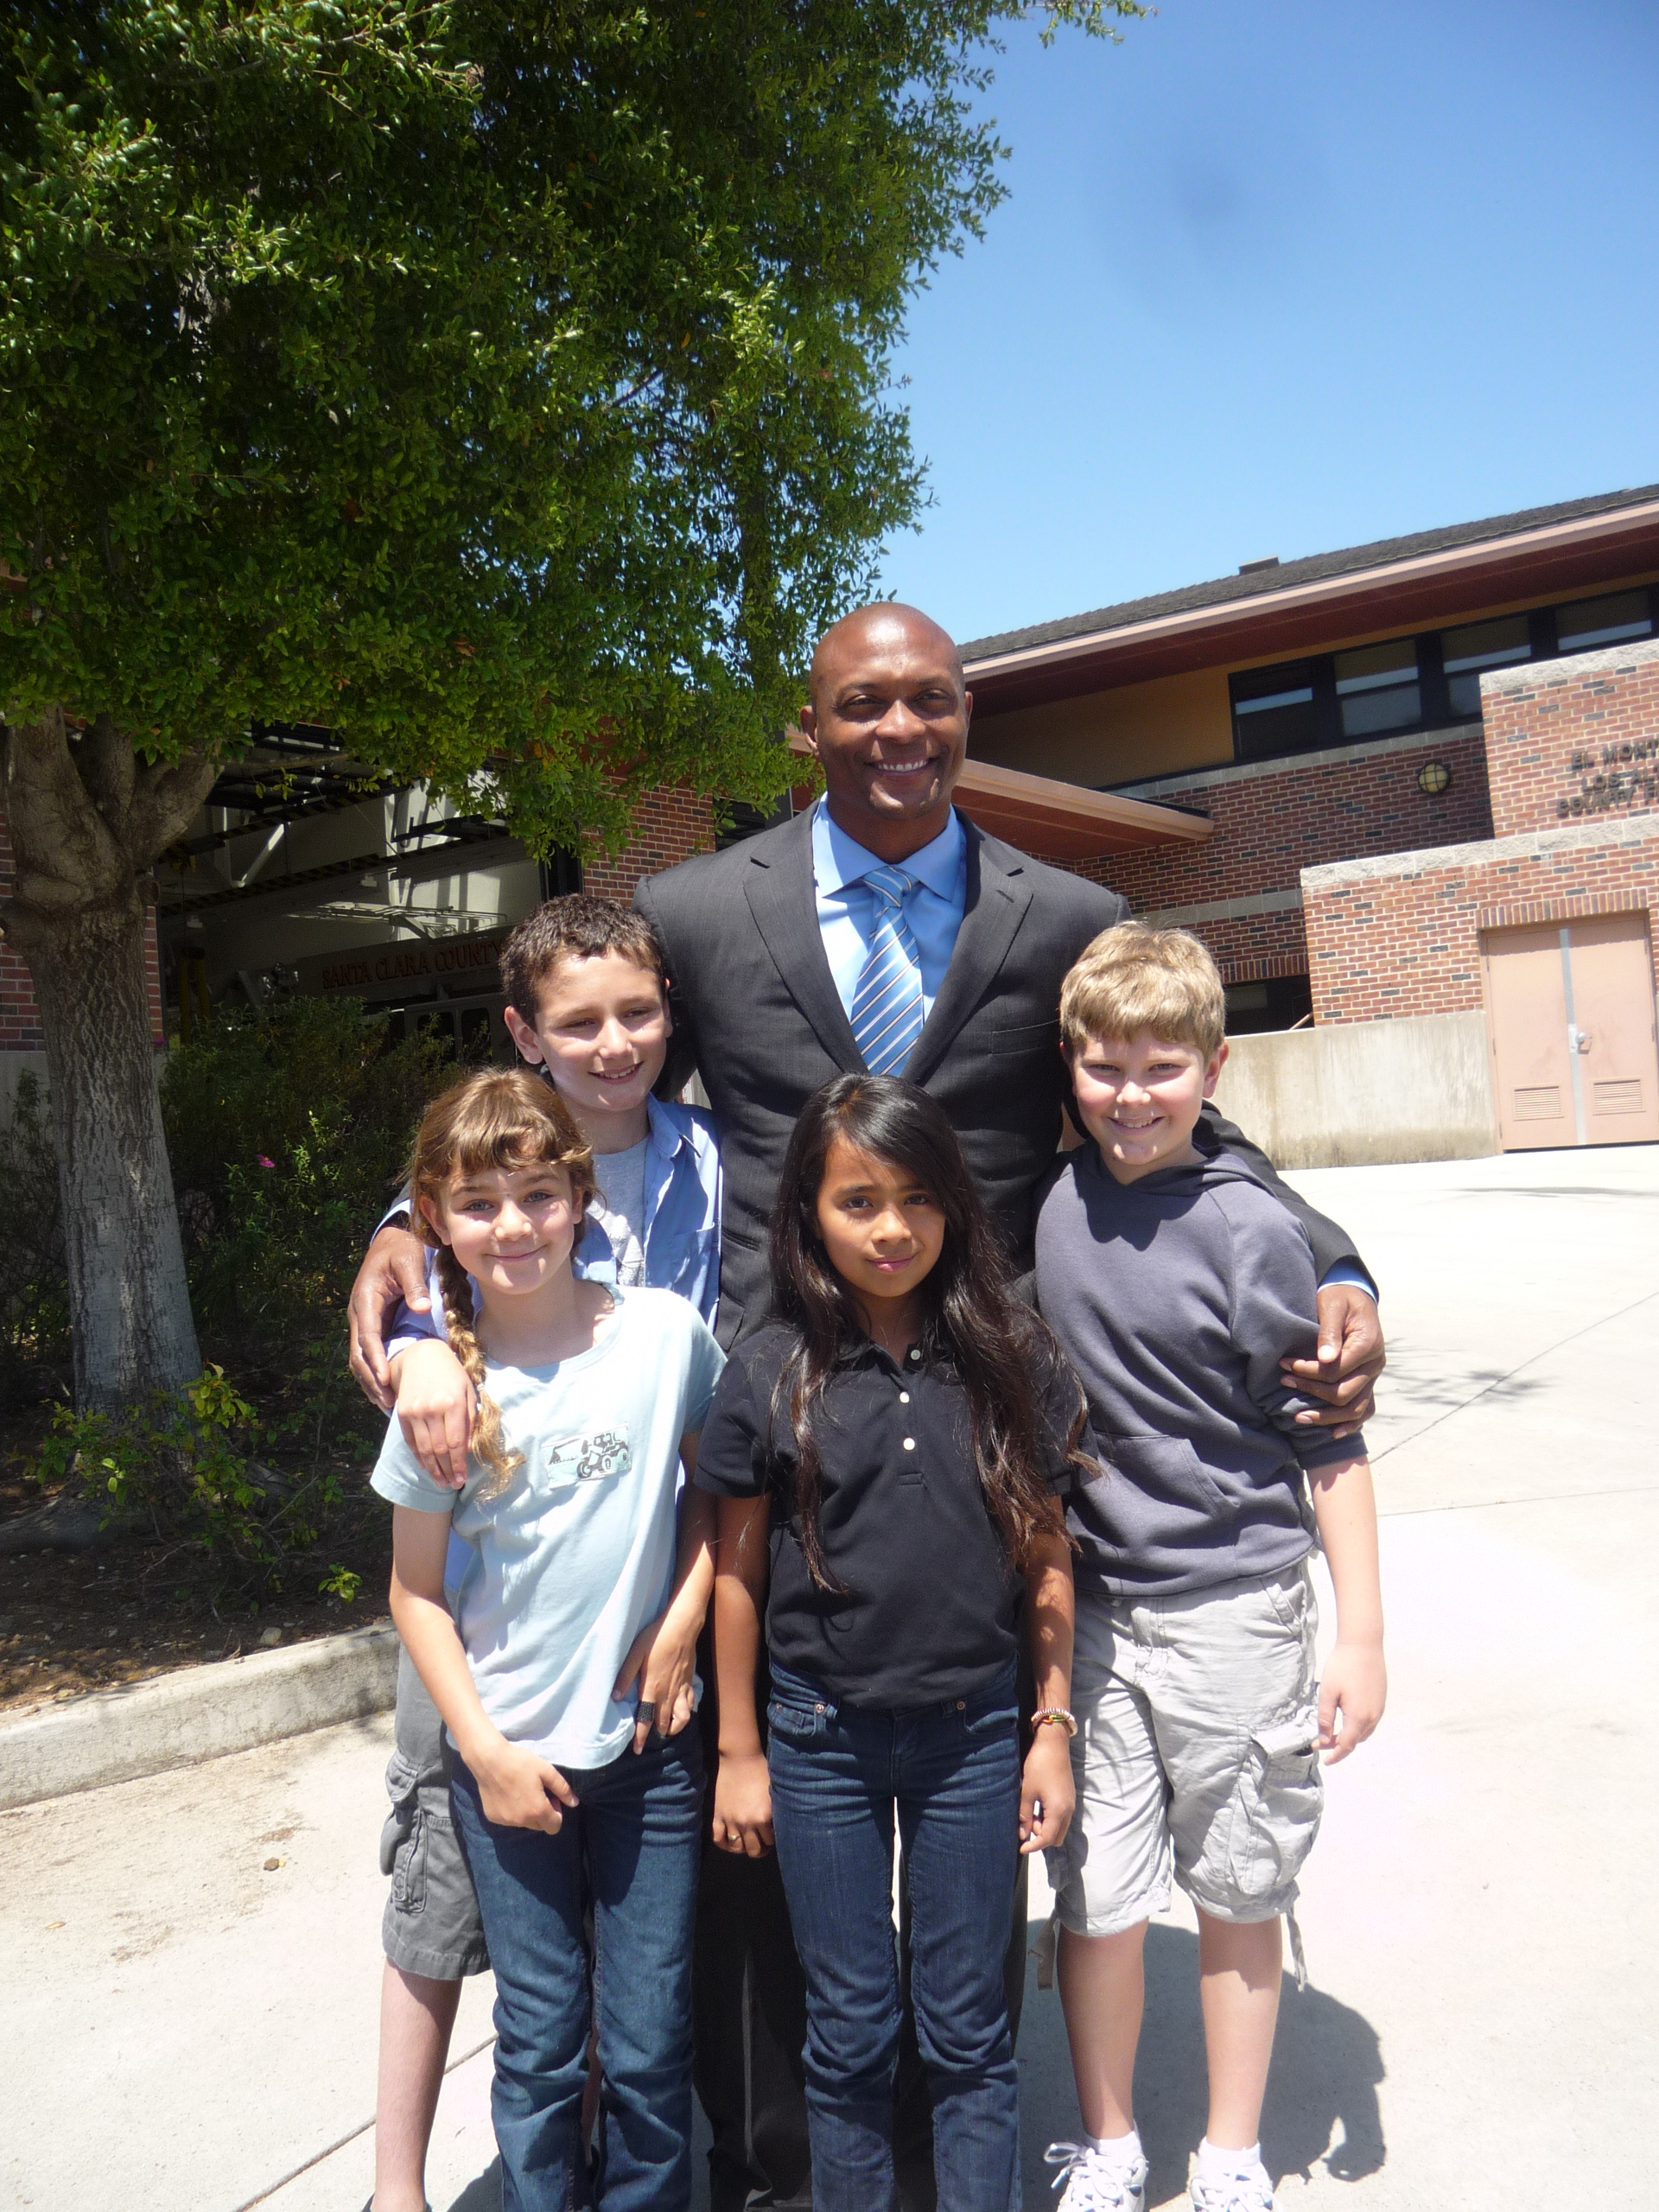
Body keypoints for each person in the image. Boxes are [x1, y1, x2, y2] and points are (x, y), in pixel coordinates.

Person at [348, 601, 1387, 2209]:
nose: (898, 732)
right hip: (773, 1425)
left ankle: (969, 2121)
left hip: (978, 1427)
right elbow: (566, 1096)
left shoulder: (1069, 910)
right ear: (809, 728)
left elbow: (1153, 1106)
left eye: (929, 702)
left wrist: (1332, 1257)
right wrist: (410, 1244)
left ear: (965, 711)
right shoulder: (703, 909)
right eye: (861, 707)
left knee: (976, 1805)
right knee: (758, 1830)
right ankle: (790, 2163)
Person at [366, 895, 721, 2212]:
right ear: (528, 1034)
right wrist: (413, 1333)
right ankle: (411, 2186)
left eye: (637, 1012)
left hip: (647, 1737)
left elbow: (710, 1491)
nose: (513, 1224)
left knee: (645, 2040)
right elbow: (411, 1588)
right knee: (536, 2034)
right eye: (579, 1021)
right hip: (503, 1737)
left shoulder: (670, 1317)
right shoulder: (447, 1372)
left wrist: (683, 1621)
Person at [1033, 925, 1387, 2212]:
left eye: (1161, 1065)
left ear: (1214, 1067)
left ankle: (1233, 2152)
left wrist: (1361, 1638)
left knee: (1240, 1885)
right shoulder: (1052, 1206)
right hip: (1101, 1618)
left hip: (1240, 1608)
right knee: (1098, 1895)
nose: (1131, 1093)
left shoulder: (1252, 1231)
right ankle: (1113, 2142)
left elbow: (1331, 1447)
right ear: (1067, 1068)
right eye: (1104, 1066)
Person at [696, 1075, 1082, 2212]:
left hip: (973, 1740)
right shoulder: (770, 1371)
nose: (891, 1228)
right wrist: (740, 1751)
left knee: (970, 2036)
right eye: (857, 1201)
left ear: (955, 1208)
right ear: (809, 1214)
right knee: (851, 2035)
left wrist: (1048, 1729)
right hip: (819, 1743)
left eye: (917, 1199)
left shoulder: (1014, 1357)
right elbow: (735, 1575)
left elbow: (1050, 1557)